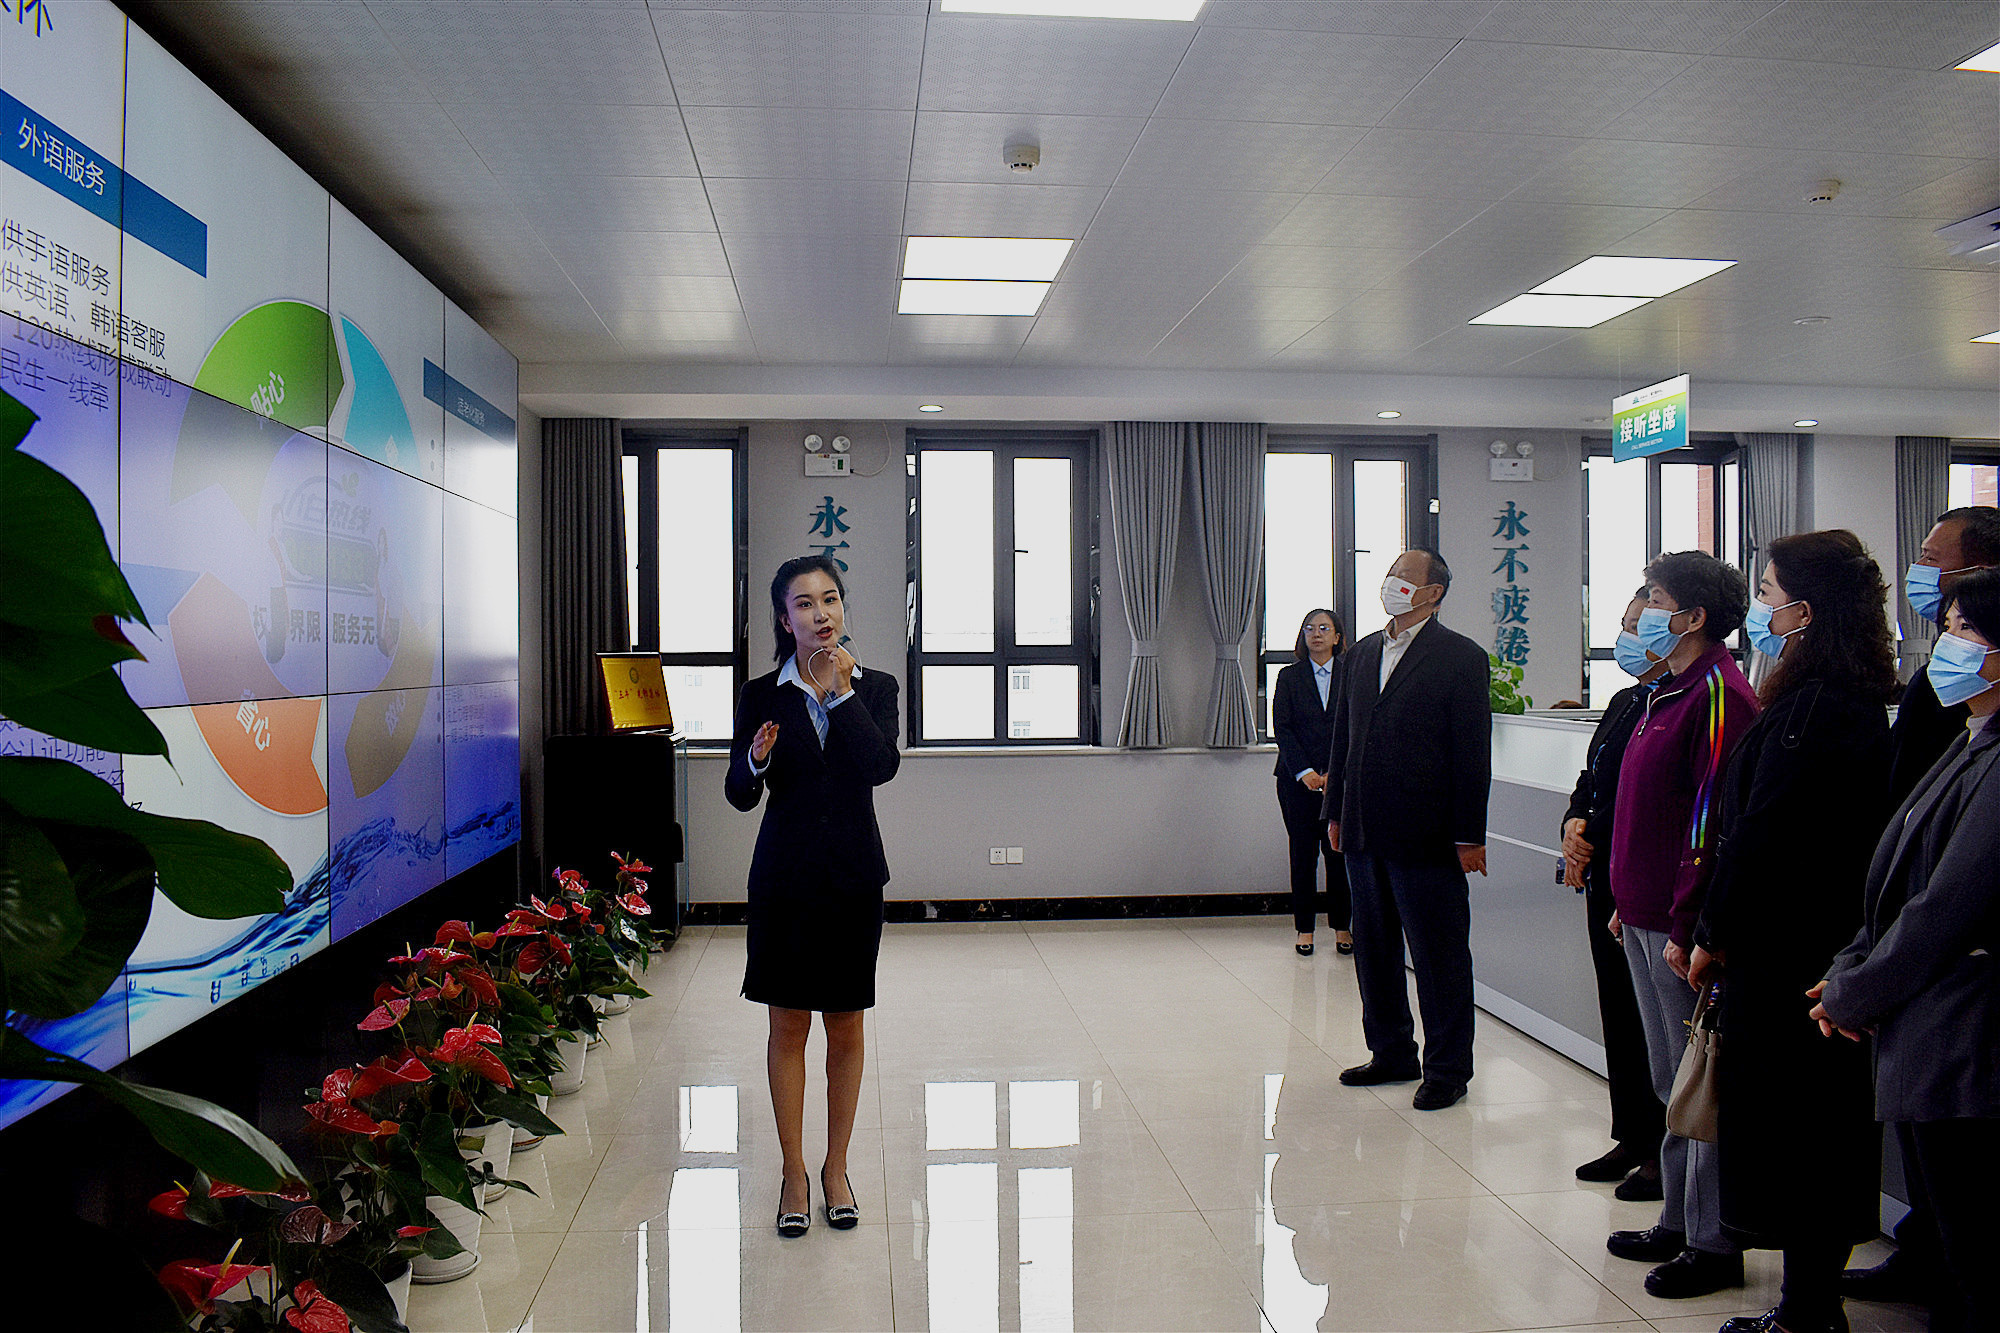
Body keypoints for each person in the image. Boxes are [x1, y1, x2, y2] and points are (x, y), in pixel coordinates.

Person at [1681, 531, 1895, 1333]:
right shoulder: (1829, 699)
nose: (1762, 611)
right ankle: (1804, 1302)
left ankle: (1808, 1310)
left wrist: (1712, 930)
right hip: (1805, 949)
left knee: (1807, 1134)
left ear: (1805, 611)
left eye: (1769, 595)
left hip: (1795, 960)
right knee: (1810, 1131)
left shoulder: (1818, 707)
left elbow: (1762, 833)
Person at [1812, 568, 2000, 1333]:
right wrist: (1850, 966)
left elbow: (1947, 906)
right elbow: (1896, 879)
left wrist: (1856, 990)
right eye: (1947, 627)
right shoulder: (1968, 740)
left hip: (1967, 1033)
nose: (1945, 645)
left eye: (1963, 630)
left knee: (1976, 1245)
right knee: (1953, 1239)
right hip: (1927, 1023)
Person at [725, 555, 901, 1238]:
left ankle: (837, 1168)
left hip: (853, 879)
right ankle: (794, 1171)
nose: (820, 613)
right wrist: (756, 759)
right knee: (788, 1025)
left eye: (830, 599)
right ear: (784, 618)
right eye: (804, 603)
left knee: (846, 1026)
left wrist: (841, 695)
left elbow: (879, 766)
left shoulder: (875, 687)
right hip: (785, 880)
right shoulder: (761, 695)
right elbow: (740, 794)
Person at [1603, 550, 1755, 1300]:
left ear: (1694, 617)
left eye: (1657, 599)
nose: (1645, 612)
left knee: (1700, 1083)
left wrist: (1689, 924)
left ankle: (1712, 1241)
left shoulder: (1719, 693)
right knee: (1669, 1077)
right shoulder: (1662, 691)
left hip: (1676, 925)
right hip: (1640, 912)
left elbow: (1710, 818)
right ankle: (1675, 1216)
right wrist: (1624, 899)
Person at [1322, 549, 1491, 1111]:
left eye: (1404, 576)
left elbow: (1472, 753)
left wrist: (1469, 835)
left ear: (1433, 593)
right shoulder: (1361, 653)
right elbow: (1343, 740)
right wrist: (1336, 812)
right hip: (1363, 829)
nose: (1391, 582)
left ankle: (1447, 1068)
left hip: (1427, 835)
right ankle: (1392, 1051)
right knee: (1373, 949)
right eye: (1390, 573)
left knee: (1438, 955)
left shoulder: (1461, 657)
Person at [1562, 588, 1670, 1201]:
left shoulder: (1682, 702)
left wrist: (1591, 835)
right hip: (1604, 875)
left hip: (1644, 879)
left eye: (1638, 624)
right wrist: (1573, 823)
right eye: (1624, 624)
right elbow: (1594, 778)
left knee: (1652, 1018)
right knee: (1618, 1009)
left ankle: (1663, 1152)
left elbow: (1650, 799)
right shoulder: (1628, 700)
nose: (1628, 636)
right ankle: (1632, 1133)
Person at [1272, 608, 1352, 957]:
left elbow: (1355, 726)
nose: (1316, 634)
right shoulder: (1289, 676)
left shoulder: (1351, 674)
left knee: (1338, 855)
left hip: (1340, 780)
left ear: (1337, 637)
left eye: (1323, 628)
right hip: (1296, 781)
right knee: (1303, 856)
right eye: (1309, 628)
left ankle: (1342, 927)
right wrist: (1305, 772)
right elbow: (1283, 728)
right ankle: (1304, 929)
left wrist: (1337, 772)